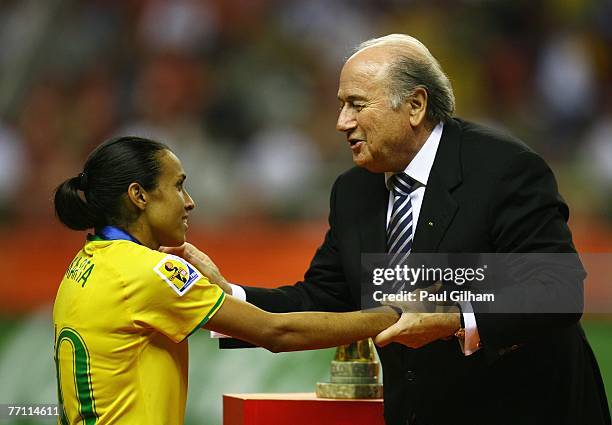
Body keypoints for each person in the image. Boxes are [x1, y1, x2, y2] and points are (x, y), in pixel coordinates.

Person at [213, 34, 611, 424]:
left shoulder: (502, 169)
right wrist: (223, 297)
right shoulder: (353, 191)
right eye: (340, 106)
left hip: (527, 408)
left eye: (356, 104)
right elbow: (324, 299)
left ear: (415, 105)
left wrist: (455, 317)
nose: (341, 122)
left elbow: (556, 289)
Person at [52, 136, 398, 425]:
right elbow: (277, 332)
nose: (190, 202)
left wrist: (223, 288)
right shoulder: (152, 271)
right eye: (178, 186)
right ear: (139, 195)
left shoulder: (83, 264)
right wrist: (396, 314)